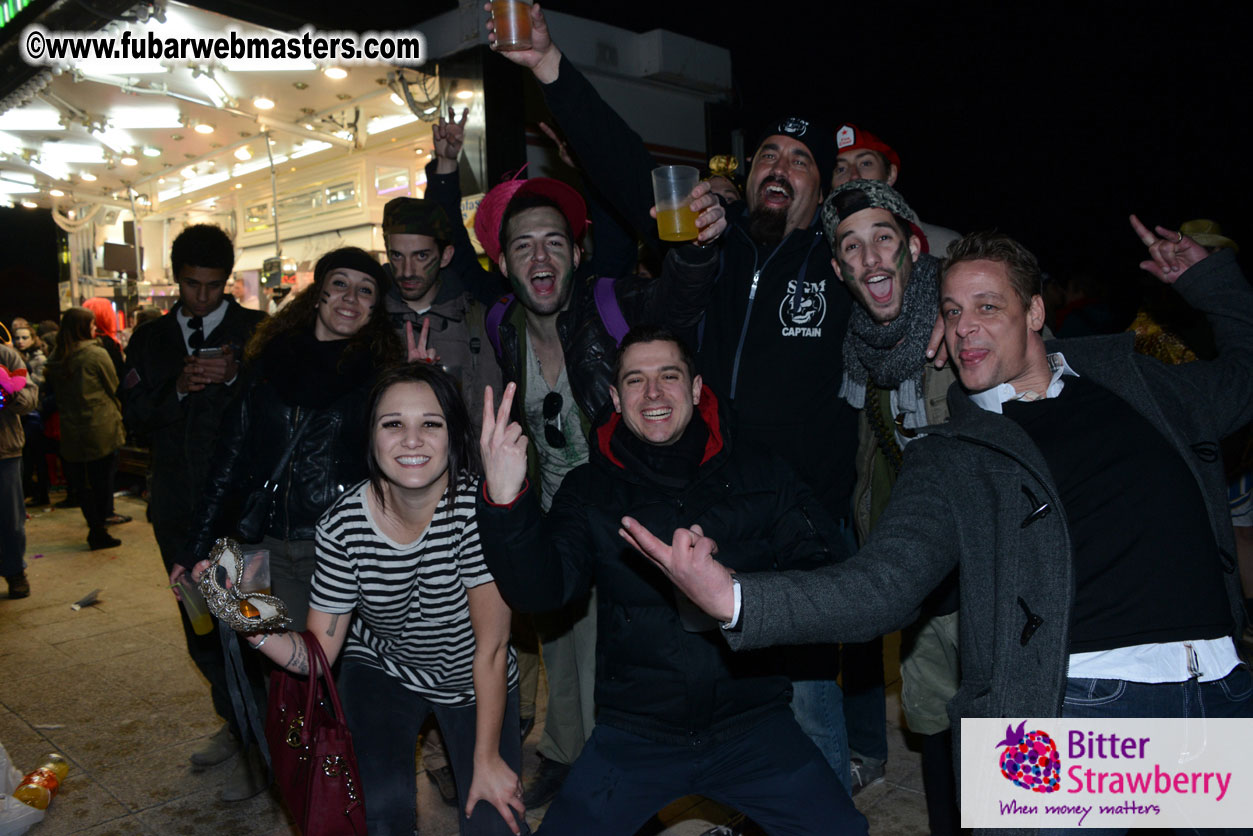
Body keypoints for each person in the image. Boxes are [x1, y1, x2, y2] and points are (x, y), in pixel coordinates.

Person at [628, 223, 1253, 832]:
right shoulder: (950, 453)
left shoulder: (1139, 384)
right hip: (1072, 707)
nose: (965, 328)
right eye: (952, 312)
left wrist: (1212, 281)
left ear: (1036, 313)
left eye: (987, 306)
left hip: (1219, 695)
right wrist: (736, 599)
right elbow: (882, 584)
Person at [486, 9, 858, 782]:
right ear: (745, 172)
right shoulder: (711, 253)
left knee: (809, 696)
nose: (777, 165)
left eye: (797, 157)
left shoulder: (837, 264)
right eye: (765, 154)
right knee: (730, 685)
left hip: (799, 521)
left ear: (818, 184)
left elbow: (901, 293)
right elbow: (630, 172)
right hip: (713, 509)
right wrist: (553, 67)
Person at [478, 327, 867, 836]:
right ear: (616, 398)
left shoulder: (762, 470)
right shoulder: (590, 488)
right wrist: (507, 502)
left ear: (698, 387)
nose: (654, 393)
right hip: (636, 732)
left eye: (669, 376)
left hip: (751, 723)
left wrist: (737, 592)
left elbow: (831, 572)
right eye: (635, 381)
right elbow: (541, 591)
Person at [478, 174, 724, 807]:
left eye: (555, 243)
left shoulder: (616, 304)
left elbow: (678, 297)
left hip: (625, 504)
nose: (541, 258)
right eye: (524, 245)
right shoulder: (503, 323)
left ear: (578, 254)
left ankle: (642, 762)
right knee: (559, 638)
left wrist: (694, 248)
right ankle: (565, 755)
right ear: (502, 262)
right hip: (558, 506)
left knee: (631, 646)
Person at [218, 363, 528, 836]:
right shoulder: (342, 524)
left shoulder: (479, 513)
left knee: (494, 821)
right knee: (376, 812)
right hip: (384, 669)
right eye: (393, 424)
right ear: (371, 437)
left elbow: (488, 650)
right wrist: (242, 613)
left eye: (430, 423)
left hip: (472, 677)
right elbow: (315, 656)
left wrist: (486, 759)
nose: (411, 440)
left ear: (453, 435)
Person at [824, 179, 960, 827]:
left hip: (990, 562)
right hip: (920, 561)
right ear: (838, 268)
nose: (871, 257)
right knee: (930, 710)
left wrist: (964, 305)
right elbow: (872, 454)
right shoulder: (859, 342)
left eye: (883, 238)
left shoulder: (964, 315)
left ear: (912, 244)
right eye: (852, 246)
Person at [380, 109, 506, 806]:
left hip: (474, 501)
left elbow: (452, 231)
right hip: (399, 509)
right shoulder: (372, 321)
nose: (406, 270)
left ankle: (485, 744)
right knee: (411, 629)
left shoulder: (478, 306)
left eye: (421, 256)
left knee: (486, 633)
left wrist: (446, 171)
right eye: (395, 257)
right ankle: (431, 739)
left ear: (444, 257)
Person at [179, 247, 402, 631]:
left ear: (374, 310)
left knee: (332, 671)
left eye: (365, 291)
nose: (351, 297)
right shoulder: (268, 362)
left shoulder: (381, 378)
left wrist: (420, 388)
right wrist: (196, 548)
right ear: (318, 295)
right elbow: (229, 459)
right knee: (273, 669)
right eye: (340, 284)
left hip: (338, 551)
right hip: (259, 547)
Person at [120, 224, 266, 794]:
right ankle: (235, 724)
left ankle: (265, 746)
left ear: (227, 281)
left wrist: (236, 376)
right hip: (177, 509)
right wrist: (178, 388)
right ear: (175, 278)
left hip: (238, 509)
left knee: (251, 623)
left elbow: (274, 408)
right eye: (191, 285)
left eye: (212, 286)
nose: (202, 297)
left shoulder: (255, 332)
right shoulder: (152, 340)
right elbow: (134, 416)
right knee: (200, 624)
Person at [42, 307, 125, 550]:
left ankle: (95, 527)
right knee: (102, 481)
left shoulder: (56, 358)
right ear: (83, 328)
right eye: (91, 325)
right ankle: (99, 530)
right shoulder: (94, 355)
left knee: (82, 484)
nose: (94, 330)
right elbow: (113, 387)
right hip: (101, 426)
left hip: (71, 428)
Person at [830, 123, 960, 255]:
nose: (854, 176)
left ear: (890, 174)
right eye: (840, 169)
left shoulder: (946, 247)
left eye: (866, 163)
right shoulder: (819, 255)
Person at [1, 336, 36, 598]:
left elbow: (29, 399)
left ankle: (15, 572)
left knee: (10, 519)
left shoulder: (6, 356)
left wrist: (9, 392)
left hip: (4, 451)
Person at [12, 324, 49, 507]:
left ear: (33, 338)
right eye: (17, 338)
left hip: (34, 415)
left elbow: (34, 388)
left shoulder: (37, 359)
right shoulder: (19, 357)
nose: (20, 341)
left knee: (34, 457)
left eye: (24, 337)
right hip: (27, 414)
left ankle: (40, 493)